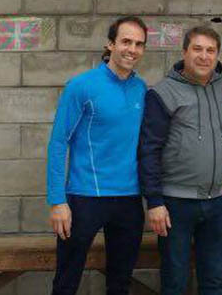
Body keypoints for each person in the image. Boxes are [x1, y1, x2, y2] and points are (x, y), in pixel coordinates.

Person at [46, 16, 149, 295]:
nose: (132, 49)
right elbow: (58, 143)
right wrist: (57, 201)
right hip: (84, 198)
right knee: (66, 282)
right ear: (110, 44)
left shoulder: (141, 89)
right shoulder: (81, 86)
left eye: (139, 44)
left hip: (128, 199)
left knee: (120, 283)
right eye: (126, 41)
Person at [138, 26, 222, 295]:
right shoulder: (162, 93)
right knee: (175, 280)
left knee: (214, 279)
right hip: (175, 204)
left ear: (217, 55)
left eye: (210, 50)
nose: (204, 56)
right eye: (198, 49)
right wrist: (155, 202)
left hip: (217, 201)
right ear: (184, 52)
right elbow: (149, 149)